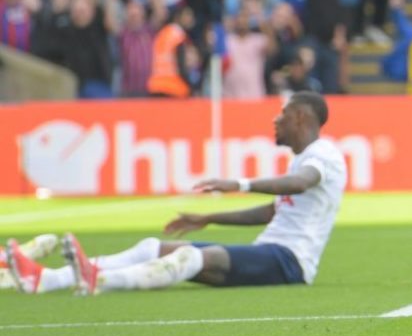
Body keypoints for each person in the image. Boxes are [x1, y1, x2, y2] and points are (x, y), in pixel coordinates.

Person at [5, 92, 346, 295]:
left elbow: (301, 183)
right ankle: (48, 280)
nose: (276, 119)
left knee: (192, 258)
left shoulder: (323, 155)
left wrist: (239, 184)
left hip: (291, 263)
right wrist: (208, 219)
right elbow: (272, 211)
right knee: (153, 247)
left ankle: (101, 281)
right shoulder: (305, 157)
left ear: (300, 117)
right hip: (269, 253)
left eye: (283, 113)